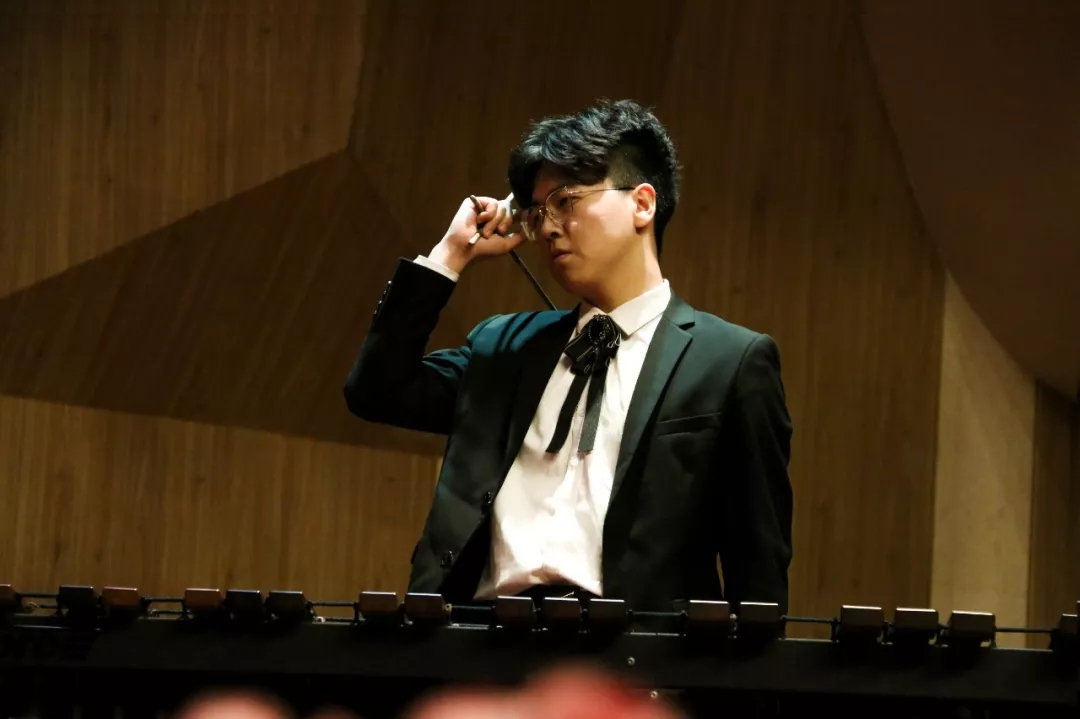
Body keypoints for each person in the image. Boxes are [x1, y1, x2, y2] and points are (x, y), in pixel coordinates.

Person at [344, 98, 793, 612]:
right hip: (481, 638)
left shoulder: (731, 361)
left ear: (642, 204)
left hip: (629, 648)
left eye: (566, 201)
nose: (548, 227)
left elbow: (757, 570)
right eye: (537, 213)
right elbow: (375, 391)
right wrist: (451, 253)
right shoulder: (503, 346)